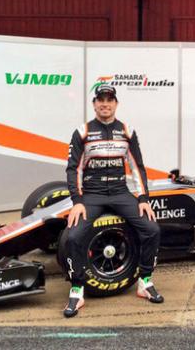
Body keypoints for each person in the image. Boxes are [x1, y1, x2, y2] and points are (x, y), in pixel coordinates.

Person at [62, 84, 163, 318]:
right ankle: (77, 289)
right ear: (94, 104)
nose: (105, 104)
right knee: (74, 236)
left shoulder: (127, 131)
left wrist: (143, 198)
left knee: (152, 229)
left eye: (109, 100)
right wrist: (77, 201)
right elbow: (73, 169)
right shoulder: (82, 132)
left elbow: (137, 167)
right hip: (92, 194)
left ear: (116, 104)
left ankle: (145, 281)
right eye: (101, 100)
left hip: (120, 192)